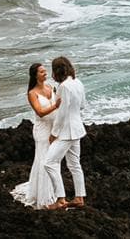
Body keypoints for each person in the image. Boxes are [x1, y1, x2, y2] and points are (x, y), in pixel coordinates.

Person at [10, 62, 63, 209]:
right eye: (41, 72)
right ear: (35, 75)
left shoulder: (49, 87)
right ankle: (44, 196)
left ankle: (54, 191)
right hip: (42, 130)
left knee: (53, 159)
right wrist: (55, 106)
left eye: (45, 71)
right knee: (44, 160)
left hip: (53, 129)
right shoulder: (32, 93)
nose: (45, 74)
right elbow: (39, 112)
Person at [42, 55, 87, 208]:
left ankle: (61, 199)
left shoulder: (64, 87)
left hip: (66, 132)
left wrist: (54, 133)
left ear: (57, 71)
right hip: (78, 129)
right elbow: (82, 105)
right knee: (75, 164)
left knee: (49, 163)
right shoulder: (77, 82)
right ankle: (79, 198)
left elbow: (61, 113)